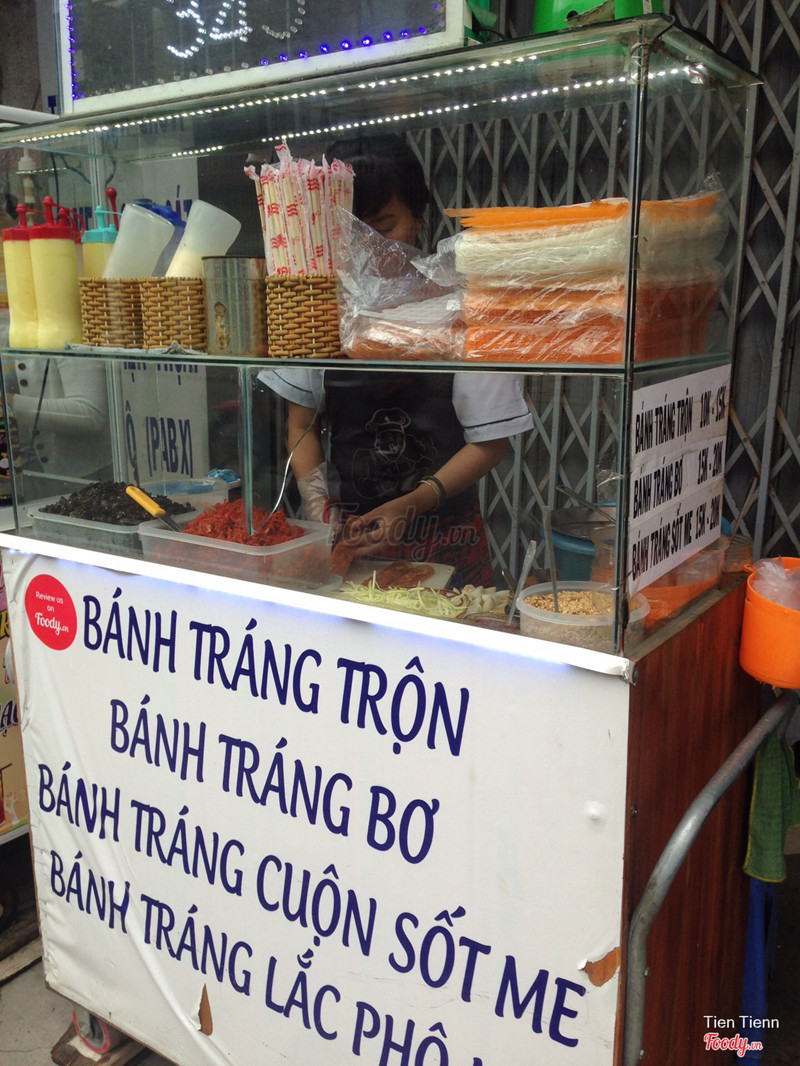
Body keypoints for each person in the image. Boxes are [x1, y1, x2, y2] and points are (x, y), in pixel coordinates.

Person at [263, 133, 532, 587]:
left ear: (418, 218)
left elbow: (491, 443)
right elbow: (301, 425)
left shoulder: (464, 307)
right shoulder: (318, 309)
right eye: (352, 231)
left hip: (445, 541)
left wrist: (411, 504)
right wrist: (319, 508)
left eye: (384, 229)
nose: (369, 247)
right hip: (346, 541)